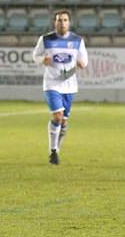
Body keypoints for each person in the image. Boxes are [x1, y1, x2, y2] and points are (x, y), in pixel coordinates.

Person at [32, 9, 88, 165]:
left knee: (63, 122)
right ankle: (53, 152)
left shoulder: (77, 40)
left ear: (69, 23)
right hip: (51, 84)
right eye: (59, 20)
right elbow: (35, 55)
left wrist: (82, 64)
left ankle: (57, 147)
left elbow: (84, 60)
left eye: (64, 20)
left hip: (69, 86)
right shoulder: (46, 39)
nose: (62, 23)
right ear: (54, 22)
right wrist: (42, 59)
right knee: (57, 116)